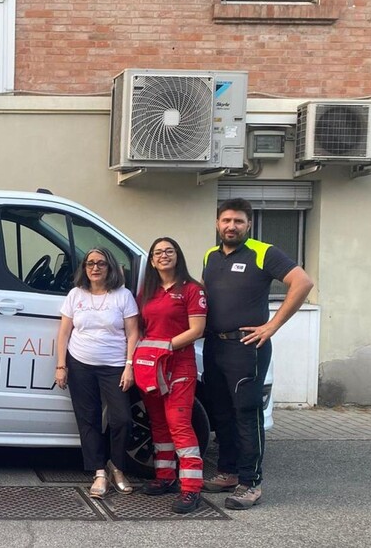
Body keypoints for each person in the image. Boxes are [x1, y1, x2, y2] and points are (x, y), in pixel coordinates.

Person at [201, 198, 313, 510]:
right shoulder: (210, 256)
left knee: (246, 414)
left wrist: (272, 326)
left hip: (246, 347)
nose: (231, 226)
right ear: (217, 224)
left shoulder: (264, 252)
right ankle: (228, 472)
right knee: (221, 412)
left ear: (248, 224)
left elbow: (302, 282)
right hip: (214, 345)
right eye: (226, 220)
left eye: (238, 221)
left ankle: (251, 483)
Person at [53, 248, 139, 499]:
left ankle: (117, 466)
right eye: (90, 263)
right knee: (88, 419)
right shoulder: (75, 294)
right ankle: (99, 472)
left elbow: (133, 333)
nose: (95, 268)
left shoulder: (123, 296)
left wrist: (129, 365)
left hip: (115, 366)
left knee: (122, 418)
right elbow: (64, 332)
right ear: (84, 268)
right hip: (80, 362)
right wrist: (61, 365)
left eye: (101, 263)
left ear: (110, 267)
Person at [134, 237, 207, 514]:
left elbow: (196, 330)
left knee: (179, 424)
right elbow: (140, 328)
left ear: (178, 256)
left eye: (169, 251)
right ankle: (165, 477)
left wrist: (164, 347)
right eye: (158, 253)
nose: (163, 256)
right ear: (152, 261)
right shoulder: (147, 291)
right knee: (159, 424)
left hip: (178, 366)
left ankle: (191, 489)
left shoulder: (192, 289)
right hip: (152, 367)